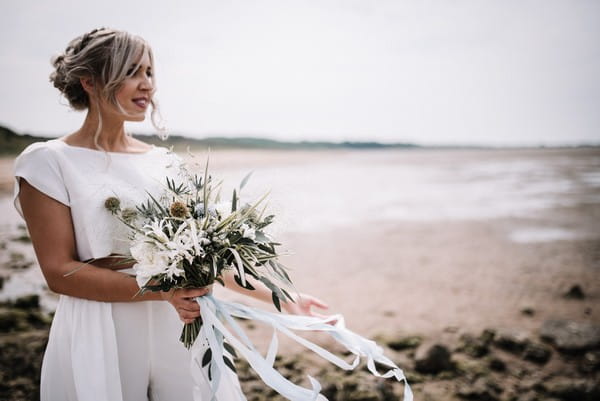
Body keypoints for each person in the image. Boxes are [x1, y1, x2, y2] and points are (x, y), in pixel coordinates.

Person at [13, 27, 329, 401]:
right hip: (102, 326)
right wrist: (162, 291)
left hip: (180, 324)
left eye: (149, 72)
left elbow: (199, 255)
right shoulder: (49, 162)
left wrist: (282, 296)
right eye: (132, 72)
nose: (147, 84)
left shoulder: (162, 163)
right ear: (90, 82)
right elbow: (60, 272)